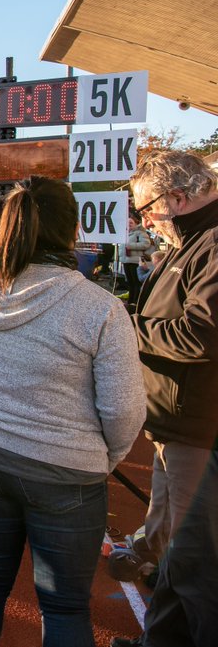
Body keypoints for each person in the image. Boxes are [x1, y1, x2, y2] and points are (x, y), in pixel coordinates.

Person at [0, 176, 145, 647]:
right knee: (63, 606)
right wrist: (102, 460)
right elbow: (124, 410)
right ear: (73, 228)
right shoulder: (99, 308)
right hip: (64, 471)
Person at [111, 149, 218, 647]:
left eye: (147, 208)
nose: (144, 220)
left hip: (198, 428)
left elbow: (203, 335)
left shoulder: (212, 243)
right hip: (176, 424)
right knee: (181, 557)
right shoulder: (190, 239)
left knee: (199, 564)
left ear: (177, 197)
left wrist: (130, 328)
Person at [121, 212, 155, 307]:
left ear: (136, 223)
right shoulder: (126, 234)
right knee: (130, 283)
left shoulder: (140, 233)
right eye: (127, 223)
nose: (129, 225)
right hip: (126, 260)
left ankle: (135, 302)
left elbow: (146, 244)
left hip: (135, 261)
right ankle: (131, 300)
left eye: (131, 223)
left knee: (136, 283)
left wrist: (130, 246)